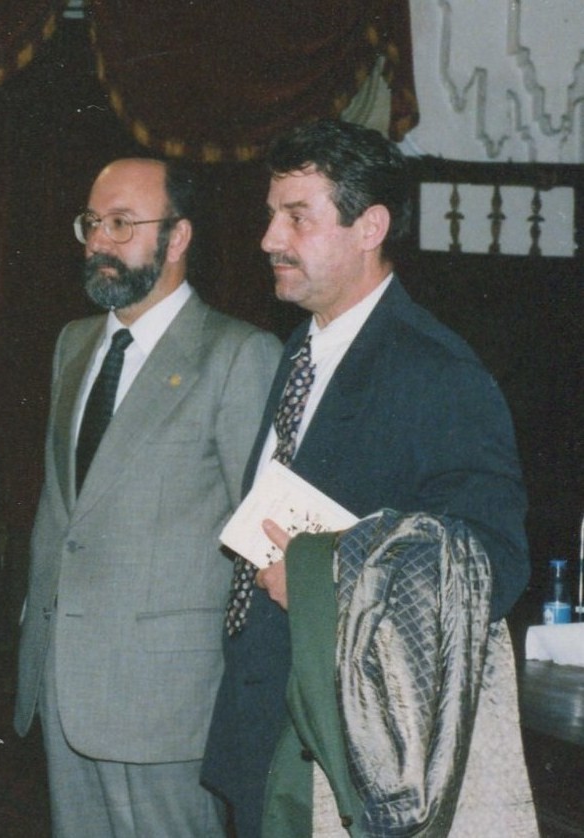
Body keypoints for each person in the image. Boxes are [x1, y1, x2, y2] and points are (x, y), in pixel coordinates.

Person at [201, 119, 530, 837]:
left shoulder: (437, 373)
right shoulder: (301, 350)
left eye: (297, 217)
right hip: (256, 736)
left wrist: (331, 580)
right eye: (269, 215)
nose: (268, 240)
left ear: (369, 226)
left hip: (336, 757)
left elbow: (492, 563)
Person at [13, 158, 280, 836]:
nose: (100, 241)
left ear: (179, 236)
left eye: (124, 224)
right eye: (92, 222)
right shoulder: (73, 345)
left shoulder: (237, 355)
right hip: (61, 686)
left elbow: (268, 539)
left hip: (167, 707)